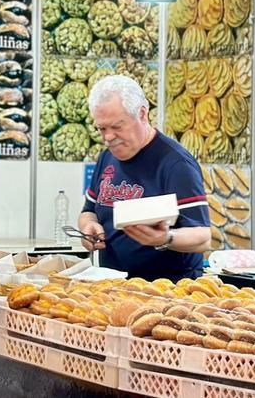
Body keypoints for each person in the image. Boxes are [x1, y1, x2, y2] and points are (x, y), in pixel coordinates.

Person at [77, 75, 212, 281]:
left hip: (167, 292)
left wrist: (165, 238)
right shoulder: (107, 156)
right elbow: (89, 211)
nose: (108, 137)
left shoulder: (176, 164)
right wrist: (88, 228)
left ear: (142, 114)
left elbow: (202, 237)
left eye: (117, 126)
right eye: (101, 129)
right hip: (114, 286)